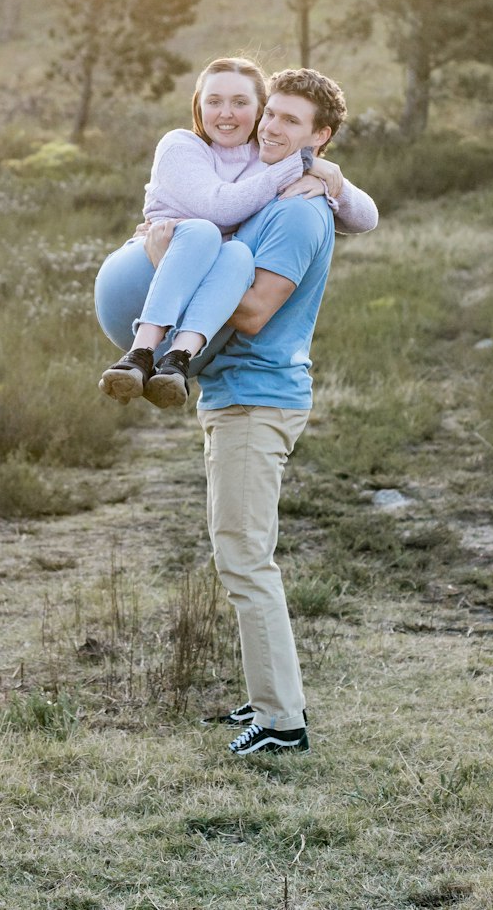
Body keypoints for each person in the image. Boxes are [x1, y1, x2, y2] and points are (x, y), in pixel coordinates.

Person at [143, 67, 377, 758]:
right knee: (238, 549)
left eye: (290, 123)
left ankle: (282, 722)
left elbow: (249, 312)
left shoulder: (302, 211)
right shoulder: (269, 195)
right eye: (268, 115)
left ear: (320, 139)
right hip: (230, 393)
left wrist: (172, 263)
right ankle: (270, 693)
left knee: (245, 557)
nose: (269, 127)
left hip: (259, 395)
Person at [94, 56, 376, 410]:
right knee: (204, 233)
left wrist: (328, 181)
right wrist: (302, 162)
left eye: (240, 103)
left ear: (258, 108)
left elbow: (366, 217)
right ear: (199, 106)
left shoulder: (271, 159)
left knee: (238, 255)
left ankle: (177, 361)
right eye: (214, 101)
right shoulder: (181, 146)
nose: (225, 113)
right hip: (142, 275)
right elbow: (220, 208)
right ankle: (137, 355)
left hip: (198, 311)